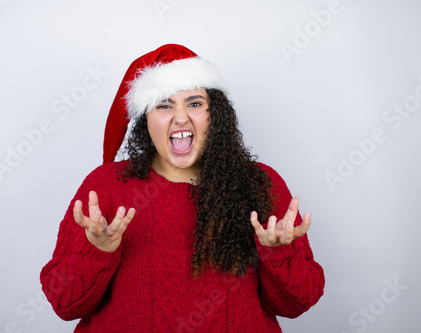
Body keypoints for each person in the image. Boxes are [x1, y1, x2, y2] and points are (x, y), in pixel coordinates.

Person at [40, 44, 325, 332]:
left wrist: (278, 253)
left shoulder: (260, 184)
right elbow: (65, 304)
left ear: (215, 114)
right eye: (164, 105)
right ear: (145, 120)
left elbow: (297, 304)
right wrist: (97, 250)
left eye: (194, 103)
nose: (180, 117)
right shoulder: (106, 186)